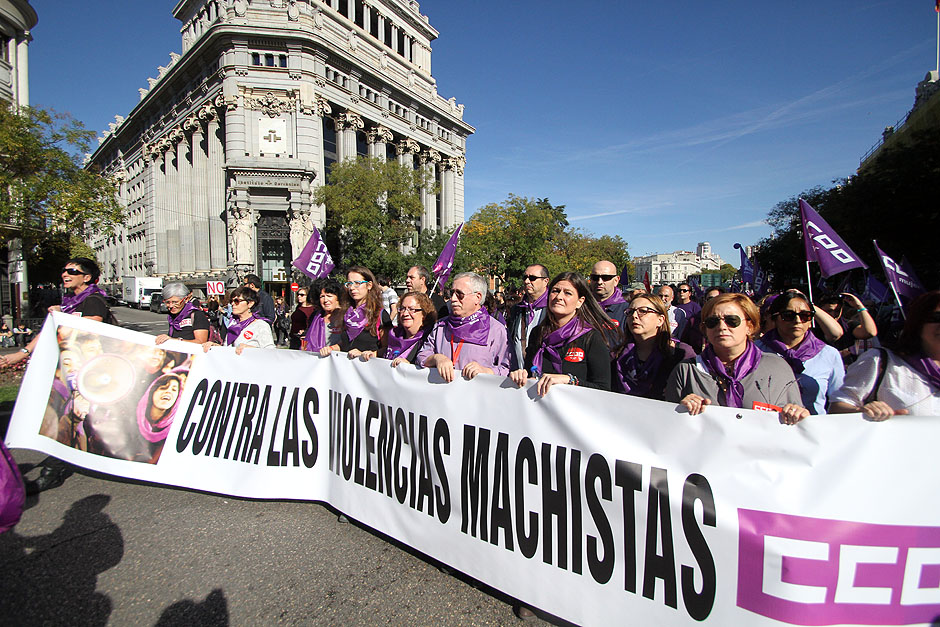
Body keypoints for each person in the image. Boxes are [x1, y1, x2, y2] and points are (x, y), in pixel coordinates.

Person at [0, 258, 115, 493]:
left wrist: (64, 316)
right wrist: (21, 354)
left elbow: (93, 327)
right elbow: (50, 331)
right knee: (69, 418)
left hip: (89, 374)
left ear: (87, 277)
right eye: (64, 269)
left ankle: (52, 472)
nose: (65, 273)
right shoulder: (70, 303)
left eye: (72, 270)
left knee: (73, 418)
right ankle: (61, 466)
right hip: (68, 373)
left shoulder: (94, 301)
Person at [665, 293, 809, 424]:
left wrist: (796, 413)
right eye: (712, 322)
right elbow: (669, 425)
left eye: (731, 320)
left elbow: (796, 420)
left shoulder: (777, 367)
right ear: (705, 329)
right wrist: (681, 410)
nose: (722, 327)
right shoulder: (686, 371)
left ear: (750, 326)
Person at [830, 290, 940, 418]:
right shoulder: (880, 360)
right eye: (936, 318)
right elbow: (836, 408)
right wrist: (865, 411)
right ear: (918, 323)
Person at [510, 272, 613, 395]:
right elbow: (530, 373)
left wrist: (569, 380)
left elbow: (603, 389)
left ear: (580, 301)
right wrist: (521, 376)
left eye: (567, 293)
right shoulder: (537, 333)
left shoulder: (591, 337)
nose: (559, 297)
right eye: (555, 291)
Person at [756, 291, 844, 415]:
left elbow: (840, 400)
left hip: (811, 429)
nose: (797, 320)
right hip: (767, 426)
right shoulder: (755, 351)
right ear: (774, 318)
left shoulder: (828, 354)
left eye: (805, 315)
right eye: (788, 315)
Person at [417, 272, 511, 382]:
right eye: (451, 293)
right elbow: (422, 356)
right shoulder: (441, 326)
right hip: (442, 395)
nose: (453, 298)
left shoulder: (496, 330)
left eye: (459, 294)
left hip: (477, 395)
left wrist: (486, 371)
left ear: (477, 297)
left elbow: (508, 369)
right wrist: (436, 358)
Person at [611, 293, 695, 400]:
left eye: (643, 311)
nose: (634, 316)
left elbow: (693, 391)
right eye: (630, 312)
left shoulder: (681, 354)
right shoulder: (616, 356)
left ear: (660, 320)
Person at [352, 292, 437, 365]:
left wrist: (410, 367)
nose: (405, 313)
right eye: (402, 309)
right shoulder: (395, 335)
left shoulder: (429, 339)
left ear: (424, 315)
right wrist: (369, 354)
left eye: (412, 309)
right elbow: (387, 351)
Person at [324, 266, 391, 355]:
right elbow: (345, 344)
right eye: (349, 284)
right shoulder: (347, 313)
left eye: (357, 283)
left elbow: (388, 349)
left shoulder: (379, 314)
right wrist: (332, 348)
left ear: (369, 285)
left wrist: (369, 354)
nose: (352, 288)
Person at [202, 287, 275, 353]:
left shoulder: (260, 325)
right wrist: (214, 346)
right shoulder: (233, 324)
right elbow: (228, 350)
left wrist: (251, 349)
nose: (233, 304)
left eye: (237, 301)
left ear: (250, 304)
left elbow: (271, 352)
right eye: (231, 301)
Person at [505, 264, 550, 370]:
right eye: (525, 277)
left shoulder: (553, 308)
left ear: (545, 281)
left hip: (544, 376)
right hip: (518, 375)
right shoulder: (517, 309)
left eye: (532, 278)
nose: (527, 281)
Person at [813, 292, 878, 364]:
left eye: (837, 311)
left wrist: (859, 307)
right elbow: (834, 334)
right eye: (829, 311)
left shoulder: (848, 325)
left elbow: (869, 332)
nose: (833, 314)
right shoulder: (811, 326)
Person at [304, 279, 349, 354]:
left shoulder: (347, 316)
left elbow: (350, 340)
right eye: (322, 296)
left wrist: (333, 348)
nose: (325, 300)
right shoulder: (315, 317)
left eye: (329, 296)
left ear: (338, 297)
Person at [588, 260, 630, 331]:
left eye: (605, 278)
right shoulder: (581, 306)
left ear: (616, 280)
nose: (600, 282)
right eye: (595, 277)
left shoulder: (627, 311)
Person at [675, 282, 704, 352]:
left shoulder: (695, 307)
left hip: (690, 342)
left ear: (690, 293)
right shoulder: (674, 307)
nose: (682, 292)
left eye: (684, 291)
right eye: (679, 291)